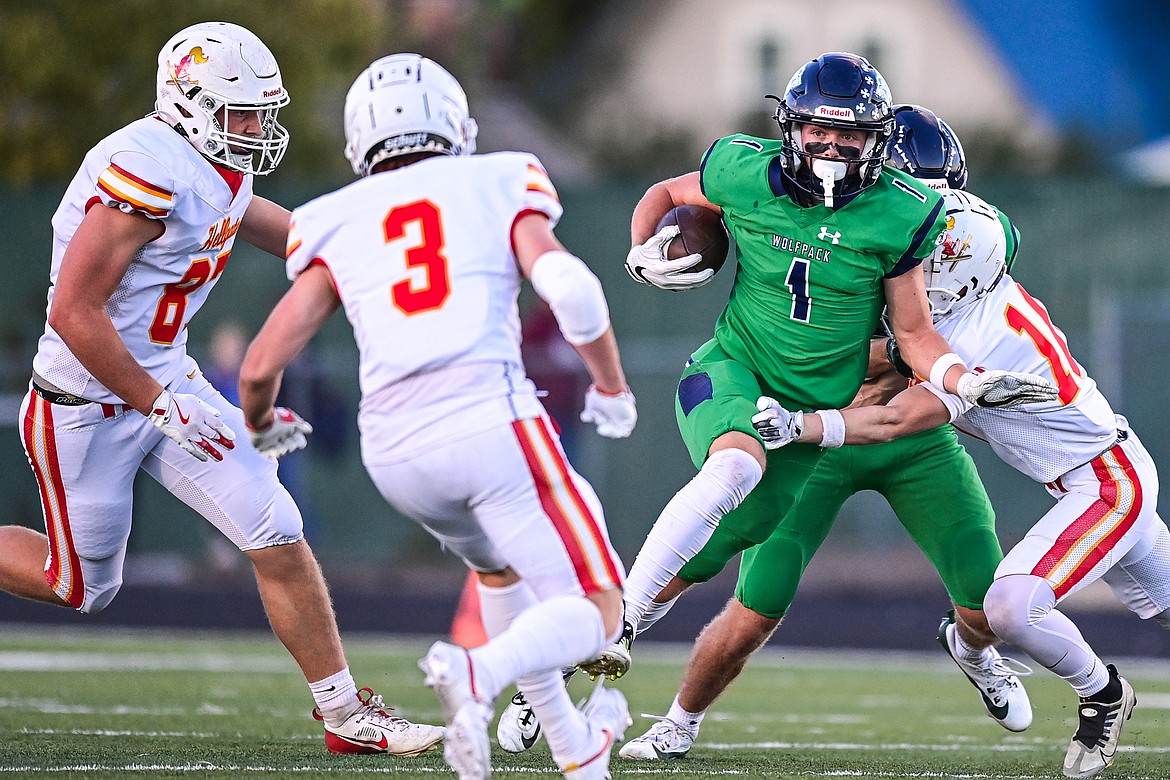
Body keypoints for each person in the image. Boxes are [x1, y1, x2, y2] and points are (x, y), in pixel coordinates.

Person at [0, 22, 444, 756]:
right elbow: (72, 312)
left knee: (277, 526)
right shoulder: (142, 166)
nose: (257, 129)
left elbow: (285, 229)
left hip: (167, 381)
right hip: (87, 400)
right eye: (242, 113)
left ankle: (345, 715)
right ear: (188, 103)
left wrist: (376, 252)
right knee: (79, 586)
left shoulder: (215, 166)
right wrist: (152, 400)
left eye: (261, 113)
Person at [580, 51, 1056, 683]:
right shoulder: (743, 168)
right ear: (793, 129)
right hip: (736, 367)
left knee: (749, 517)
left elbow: (914, 332)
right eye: (820, 131)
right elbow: (666, 192)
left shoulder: (905, 213)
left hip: (812, 411)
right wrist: (642, 248)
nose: (833, 147)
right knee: (732, 467)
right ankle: (619, 622)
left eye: (851, 134)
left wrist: (964, 379)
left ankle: (578, 645)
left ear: (877, 141)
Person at [236, 54, 636, 780]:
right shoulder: (498, 177)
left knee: (501, 573)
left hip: (394, 455)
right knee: (600, 610)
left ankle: (577, 753)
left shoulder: (335, 217)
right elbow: (570, 288)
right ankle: (477, 675)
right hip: (487, 421)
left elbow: (261, 365)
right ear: (456, 123)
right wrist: (610, 385)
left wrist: (262, 426)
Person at [751, 135, 1170, 780]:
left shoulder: (972, 331)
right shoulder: (952, 295)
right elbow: (879, 365)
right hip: (1093, 476)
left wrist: (798, 425)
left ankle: (1103, 692)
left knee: (1009, 606)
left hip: (1108, 484)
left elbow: (893, 419)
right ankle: (979, 654)